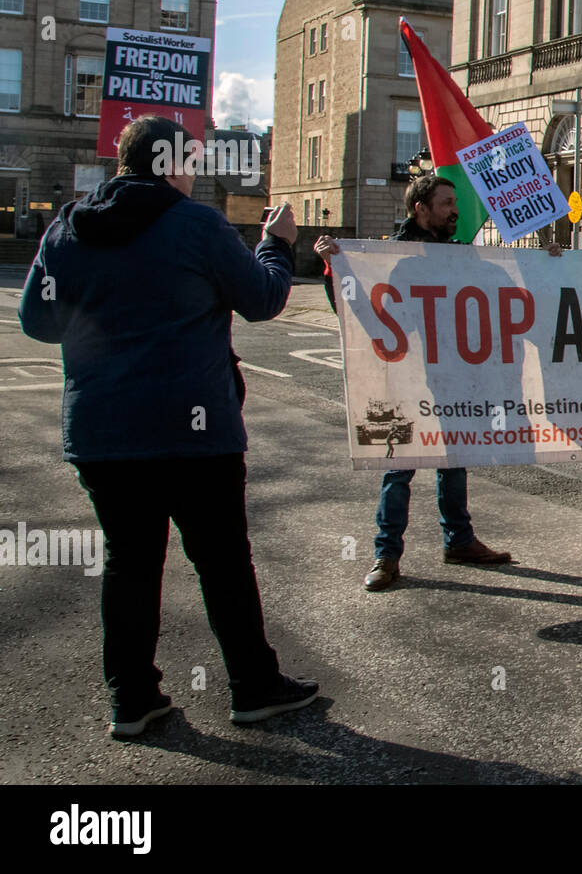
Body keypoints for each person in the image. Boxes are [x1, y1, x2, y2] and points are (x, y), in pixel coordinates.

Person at [18, 116, 319, 737]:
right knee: (223, 562)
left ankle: (132, 700)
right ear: (173, 165)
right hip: (193, 431)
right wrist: (275, 244)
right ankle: (253, 686)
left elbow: (38, 323)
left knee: (130, 566)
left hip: (105, 432)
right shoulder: (197, 224)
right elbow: (263, 299)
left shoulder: (68, 227)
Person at [317, 174, 527, 589]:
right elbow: (372, 324)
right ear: (421, 208)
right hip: (408, 383)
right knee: (399, 469)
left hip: (453, 381)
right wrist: (335, 268)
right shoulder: (392, 258)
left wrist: (551, 264)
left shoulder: (459, 256)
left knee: (454, 462)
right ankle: (386, 555)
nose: (456, 211)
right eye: (447, 203)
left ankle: (460, 541)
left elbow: (510, 289)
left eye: (455, 203)